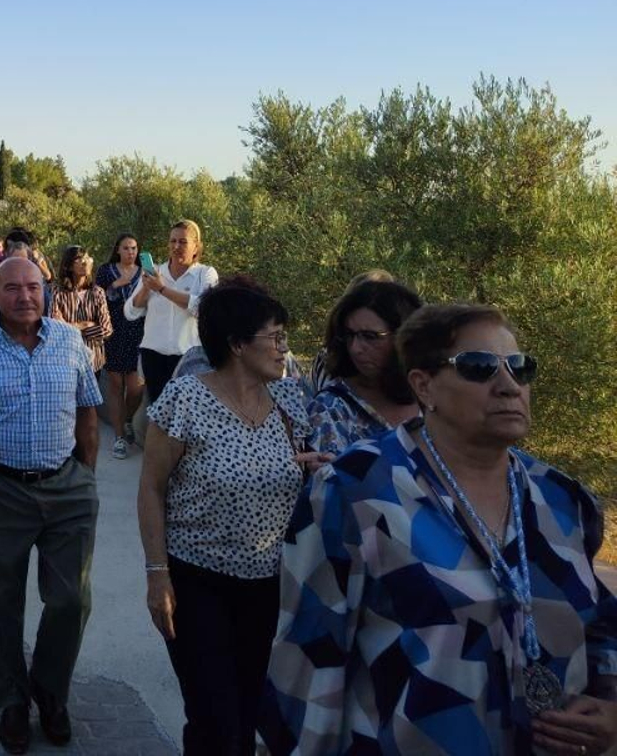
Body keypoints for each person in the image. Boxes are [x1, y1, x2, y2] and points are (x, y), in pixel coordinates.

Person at [263, 303, 617, 755]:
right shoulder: (356, 492)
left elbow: (601, 622)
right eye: (479, 367)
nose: (509, 386)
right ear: (423, 385)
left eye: (520, 367)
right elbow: (308, 661)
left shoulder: (563, 500)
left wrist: (610, 705)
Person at [0, 257, 102, 754]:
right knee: (0, 603)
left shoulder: (70, 341)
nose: (24, 296)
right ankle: (11, 700)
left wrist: (86, 481)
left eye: (33, 287)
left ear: (45, 290)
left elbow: (89, 412)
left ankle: (50, 693)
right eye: (12, 288)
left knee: (72, 599)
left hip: (66, 487)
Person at [136, 275, 309, 756]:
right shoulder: (186, 398)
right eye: (274, 337)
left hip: (265, 588)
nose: (283, 348)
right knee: (218, 720)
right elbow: (151, 487)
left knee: (242, 713)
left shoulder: (291, 402)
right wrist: (157, 576)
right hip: (195, 583)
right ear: (236, 344)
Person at [303, 277, 423, 457]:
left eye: (370, 336)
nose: (355, 348)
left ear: (404, 337)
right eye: (349, 335)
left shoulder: (436, 397)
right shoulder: (331, 409)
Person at [125, 219, 217, 408]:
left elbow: (204, 309)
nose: (176, 246)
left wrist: (162, 289)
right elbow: (130, 312)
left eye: (183, 242)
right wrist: (146, 288)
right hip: (154, 355)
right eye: (173, 241)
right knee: (159, 412)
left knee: (187, 412)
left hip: (189, 358)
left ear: (196, 247)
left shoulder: (205, 274)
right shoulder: (156, 271)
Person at [99, 233, 147, 458]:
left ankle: (126, 419)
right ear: (117, 249)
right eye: (126, 248)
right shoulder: (106, 271)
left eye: (134, 248)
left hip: (139, 332)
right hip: (114, 331)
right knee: (116, 386)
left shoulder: (145, 273)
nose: (131, 252)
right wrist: (115, 285)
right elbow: (96, 297)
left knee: (136, 387)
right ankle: (119, 437)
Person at [49, 246, 112, 374]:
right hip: (66, 359)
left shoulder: (97, 292)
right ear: (69, 266)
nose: (85, 262)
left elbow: (106, 330)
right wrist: (85, 324)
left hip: (93, 361)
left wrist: (67, 326)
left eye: (87, 258)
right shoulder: (58, 292)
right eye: (79, 259)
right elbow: (53, 327)